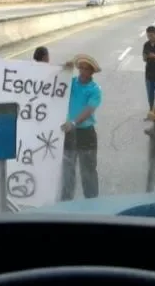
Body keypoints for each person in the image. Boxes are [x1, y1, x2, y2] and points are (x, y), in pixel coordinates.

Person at [60, 54, 103, 201]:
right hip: (69, 133)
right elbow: (55, 84)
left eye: (86, 69)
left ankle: (92, 203)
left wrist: (73, 122)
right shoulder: (71, 83)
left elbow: (89, 110)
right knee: (67, 171)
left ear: (91, 72)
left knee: (88, 171)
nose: (82, 72)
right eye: (81, 68)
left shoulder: (95, 90)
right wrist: (64, 69)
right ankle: (66, 203)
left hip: (86, 133)